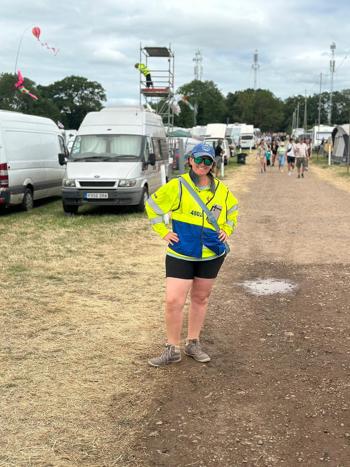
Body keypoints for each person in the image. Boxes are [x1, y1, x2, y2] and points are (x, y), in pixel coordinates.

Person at [145, 143, 239, 367]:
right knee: (173, 300)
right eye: (198, 159)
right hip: (182, 253)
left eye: (207, 161)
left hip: (211, 255)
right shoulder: (178, 186)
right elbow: (152, 206)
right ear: (190, 160)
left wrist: (227, 229)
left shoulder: (222, 191)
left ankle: (193, 342)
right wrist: (163, 232)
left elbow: (233, 212)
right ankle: (171, 348)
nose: (202, 164)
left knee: (200, 298)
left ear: (212, 164)